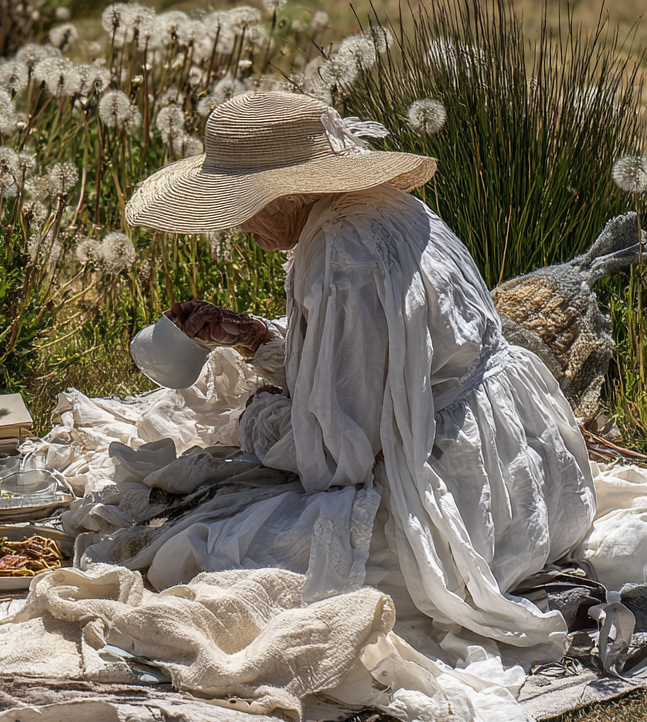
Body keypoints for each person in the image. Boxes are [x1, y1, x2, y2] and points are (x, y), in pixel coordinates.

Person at [117, 91, 596, 671]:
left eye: (248, 203)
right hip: (534, 473)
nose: (241, 224)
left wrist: (260, 420)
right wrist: (257, 340)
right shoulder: (384, 208)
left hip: (461, 497)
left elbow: (338, 450)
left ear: (289, 190)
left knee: (213, 558)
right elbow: (372, 359)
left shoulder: (344, 254)